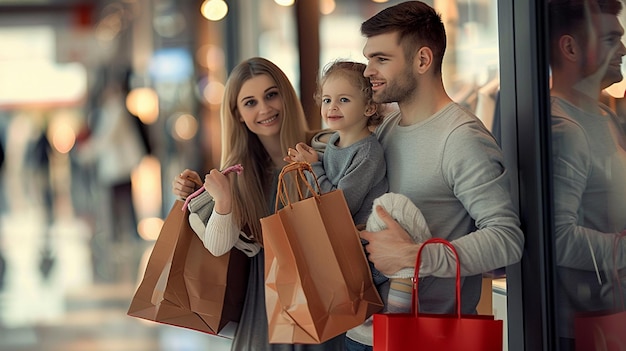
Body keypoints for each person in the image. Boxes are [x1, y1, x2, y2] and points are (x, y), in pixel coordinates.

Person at [348, 2, 525, 350]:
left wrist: (416, 257)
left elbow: (507, 239)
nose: (368, 71)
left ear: (423, 60)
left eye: (381, 59)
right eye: (368, 59)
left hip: (426, 339)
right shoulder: (386, 130)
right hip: (362, 333)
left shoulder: (462, 138)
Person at [171, 57, 345, 351]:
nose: (265, 109)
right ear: (237, 114)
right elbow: (218, 246)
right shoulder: (236, 176)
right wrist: (221, 200)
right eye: (250, 103)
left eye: (271, 95)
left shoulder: (326, 148)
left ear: (285, 96)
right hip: (267, 307)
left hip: (328, 299)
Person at [548, 1, 626, 349]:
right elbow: (558, 238)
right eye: (611, 39)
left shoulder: (603, 117)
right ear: (570, 47)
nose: (622, 49)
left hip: (611, 312)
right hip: (581, 327)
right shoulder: (563, 128)